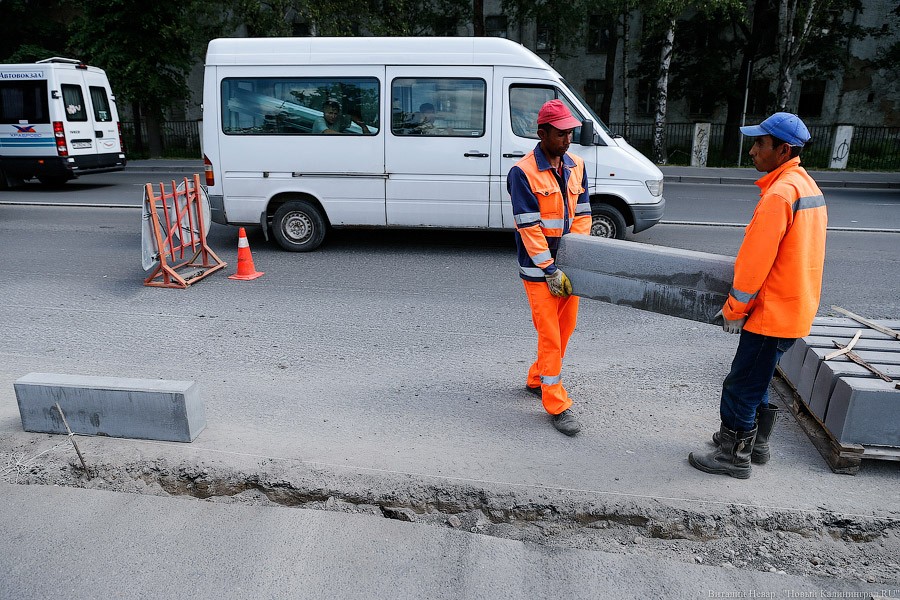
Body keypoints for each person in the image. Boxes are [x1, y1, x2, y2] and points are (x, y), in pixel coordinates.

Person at [689, 112, 827, 478]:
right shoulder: (806, 186)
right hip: (795, 308)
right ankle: (758, 444)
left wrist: (734, 308)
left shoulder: (781, 194)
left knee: (741, 384)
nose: (752, 151)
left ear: (782, 150)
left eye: (759, 144)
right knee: (759, 378)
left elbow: (754, 263)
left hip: (772, 313)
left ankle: (733, 456)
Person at [507, 99, 592, 436]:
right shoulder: (522, 173)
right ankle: (556, 402)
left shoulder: (577, 166)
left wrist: (577, 261)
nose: (567, 139)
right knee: (551, 335)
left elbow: (584, 214)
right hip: (540, 272)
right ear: (541, 133)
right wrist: (550, 270)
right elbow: (529, 228)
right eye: (560, 134)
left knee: (565, 329)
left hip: (570, 269)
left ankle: (535, 378)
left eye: (570, 132)